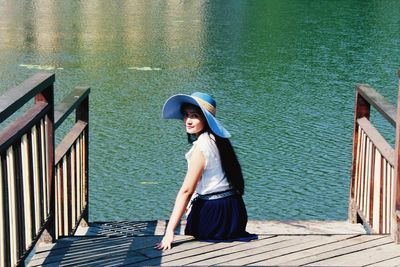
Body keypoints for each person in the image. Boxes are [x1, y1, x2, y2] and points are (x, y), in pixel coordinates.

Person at [155, 92, 257, 250]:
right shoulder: (220, 140)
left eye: (194, 116)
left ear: (206, 119)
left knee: (192, 209)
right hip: (235, 213)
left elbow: (186, 191)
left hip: (216, 217)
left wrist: (169, 231)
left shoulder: (201, 147)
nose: (188, 121)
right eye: (186, 115)